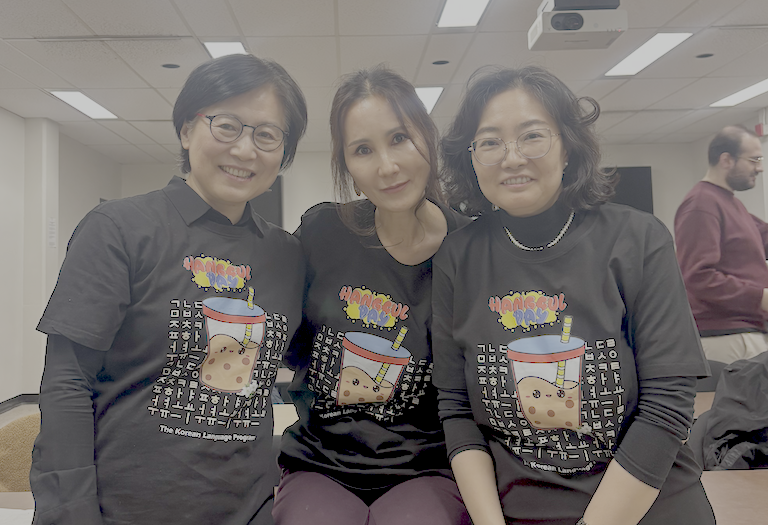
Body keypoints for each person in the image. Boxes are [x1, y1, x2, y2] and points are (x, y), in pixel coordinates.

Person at [30, 54, 307, 525]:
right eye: (227, 126)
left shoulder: (287, 255)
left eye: (266, 135)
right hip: (125, 511)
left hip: (252, 511)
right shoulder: (119, 228)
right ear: (186, 129)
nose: (245, 150)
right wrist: (70, 512)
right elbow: (67, 383)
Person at [433, 65, 714, 525]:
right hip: (517, 509)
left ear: (567, 147)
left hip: (643, 504)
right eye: (490, 142)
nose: (511, 158)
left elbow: (668, 404)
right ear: (471, 159)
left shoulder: (637, 239)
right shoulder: (457, 257)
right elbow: (457, 410)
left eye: (532, 136)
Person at [274, 65, 471, 525]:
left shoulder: (471, 249)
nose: (387, 166)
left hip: (428, 466)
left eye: (400, 138)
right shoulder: (324, 232)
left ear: (427, 137)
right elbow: (288, 341)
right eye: (363, 149)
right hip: (321, 461)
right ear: (347, 164)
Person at [674, 125, 768, 364]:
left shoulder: (730, 203)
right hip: (726, 337)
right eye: (754, 160)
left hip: (745, 332)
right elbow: (698, 276)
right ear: (726, 160)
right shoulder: (701, 204)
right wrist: (760, 297)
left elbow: (761, 237)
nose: (759, 168)